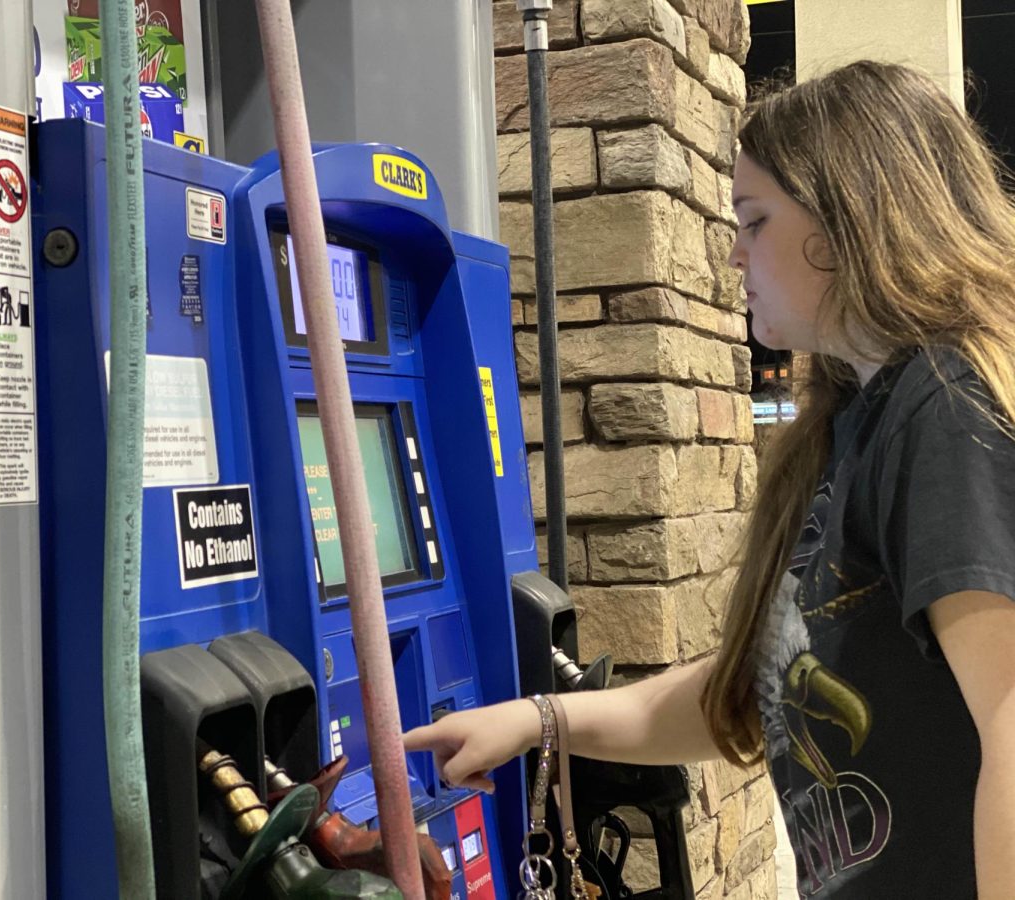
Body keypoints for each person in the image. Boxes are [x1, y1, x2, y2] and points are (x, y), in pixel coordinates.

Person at [404, 61, 1015, 898]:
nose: (733, 252)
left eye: (754, 219)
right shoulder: (850, 427)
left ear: (845, 223)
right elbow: (747, 690)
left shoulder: (944, 405)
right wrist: (538, 719)